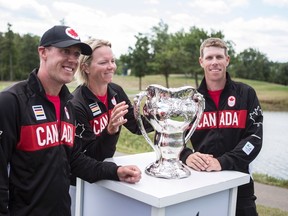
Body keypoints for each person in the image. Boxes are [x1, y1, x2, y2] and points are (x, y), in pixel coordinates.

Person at [0, 25, 141, 216]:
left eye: (76, 54)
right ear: (43, 52)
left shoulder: (67, 105)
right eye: (65, 51)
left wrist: (115, 171)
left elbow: (74, 160)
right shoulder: (11, 101)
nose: (72, 60)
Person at [69, 38, 153, 215]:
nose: (111, 66)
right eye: (103, 62)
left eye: (112, 61)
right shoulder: (76, 105)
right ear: (85, 67)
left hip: (106, 177)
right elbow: (91, 157)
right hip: (79, 186)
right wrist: (110, 131)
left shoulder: (115, 91)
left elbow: (137, 126)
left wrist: (159, 117)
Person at [180, 37, 263, 216]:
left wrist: (222, 162)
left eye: (219, 57)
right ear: (201, 62)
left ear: (227, 60)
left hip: (240, 181)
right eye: (209, 58)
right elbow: (170, 136)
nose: (214, 62)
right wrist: (186, 155)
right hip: (201, 181)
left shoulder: (246, 93)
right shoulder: (190, 100)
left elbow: (254, 139)